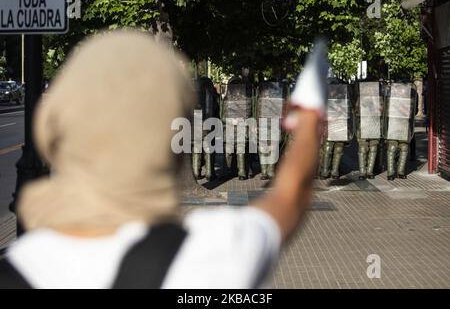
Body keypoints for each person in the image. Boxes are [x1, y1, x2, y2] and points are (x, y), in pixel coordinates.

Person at [0, 31, 328, 289]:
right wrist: (308, 123)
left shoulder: (16, 266)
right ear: (175, 146)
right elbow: (290, 194)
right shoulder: (216, 254)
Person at [320, 78, 354, 180]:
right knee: (328, 149)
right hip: (329, 125)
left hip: (340, 124)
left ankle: (334, 171)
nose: (332, 91)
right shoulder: (325, 98)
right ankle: (325, 171)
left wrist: (341, 111)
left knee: (338, 149)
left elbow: (349, 111)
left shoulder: (343, 98)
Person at [384, 81, 418, 180]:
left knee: (404, 148)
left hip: (404, 125)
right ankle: (390, 172)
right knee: (392, 148)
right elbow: (385, 111)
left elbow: (409, 112)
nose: (400, 92)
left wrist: (399, 105)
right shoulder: (390, 99)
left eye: (402, 90)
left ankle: (401, 171)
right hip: (393, 125)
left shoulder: (409, 100)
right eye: (398, 90)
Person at [192, 77, 220, 181]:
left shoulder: (193, 94)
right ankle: (209, 173)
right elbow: (217, 109)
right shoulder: (211, 95)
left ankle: (196, 172)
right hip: (209, 123)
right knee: (209, 149)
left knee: (196, 149)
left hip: (196, 124)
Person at [355, 80, 384, 180]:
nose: (370, 89)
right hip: (363, 124)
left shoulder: (379, 98)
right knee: (362, 149)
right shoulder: (361, 97)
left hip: (375, 124)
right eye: (368, 87)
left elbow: (382, 110)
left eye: (372, 87)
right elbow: (356, 110)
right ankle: (362, 172)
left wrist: (375, 103)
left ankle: (370, 171)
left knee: (373, 148)